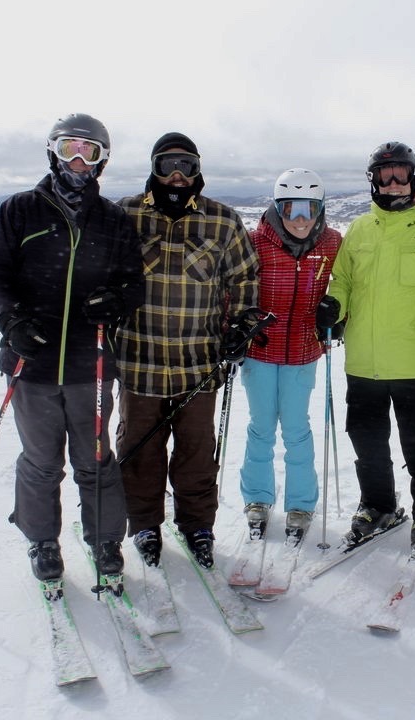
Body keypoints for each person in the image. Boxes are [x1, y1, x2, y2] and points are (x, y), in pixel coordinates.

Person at [0, 113, 146, 582]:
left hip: (89, 364)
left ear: (101, 161)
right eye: (70, 147)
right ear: (53, 150)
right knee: (41, 461)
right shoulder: (20, 210)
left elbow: (134, 284)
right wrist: (12, 322)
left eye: (88, 151)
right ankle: (43, 542)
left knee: (93, 459)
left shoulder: (113, 221)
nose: (78, 159)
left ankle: (105, 539)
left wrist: (115, 300)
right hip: (31, 362)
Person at [115, 132, 261, 570]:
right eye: (167, 166)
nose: (177, 176)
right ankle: (144, 523)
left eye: (187, 166)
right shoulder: (125, 215)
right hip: (139, 362)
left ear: (199, 170)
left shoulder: (223, 221)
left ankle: (198, 525)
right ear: (153, 169)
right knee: (141, 451)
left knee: (197, 451)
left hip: (199, 365)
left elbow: (246, 280)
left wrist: (242, 327)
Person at [322, 141, 415, 556]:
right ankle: (378, 506)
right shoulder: (359, 229)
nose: (391, 183)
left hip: (414, 362)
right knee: (367, 443)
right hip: (363, 362)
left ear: (413, 178)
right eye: (383, 175)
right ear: (373, 182)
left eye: (399, 174)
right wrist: (334, 305)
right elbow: (344, 281)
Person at [238, 169, 342, 541]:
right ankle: (257, 498)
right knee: (261, 427)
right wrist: (235, 327)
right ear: (276, 208)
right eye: (289, 209)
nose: (299, 219)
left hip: (303, 351)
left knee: (297, 429)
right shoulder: (255, 242)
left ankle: (300, 503)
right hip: (260, 352)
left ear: (320, 209)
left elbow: (346, 285)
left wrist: (339, 315)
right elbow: (234, 289)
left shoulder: (331, 244)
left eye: (308, 209)